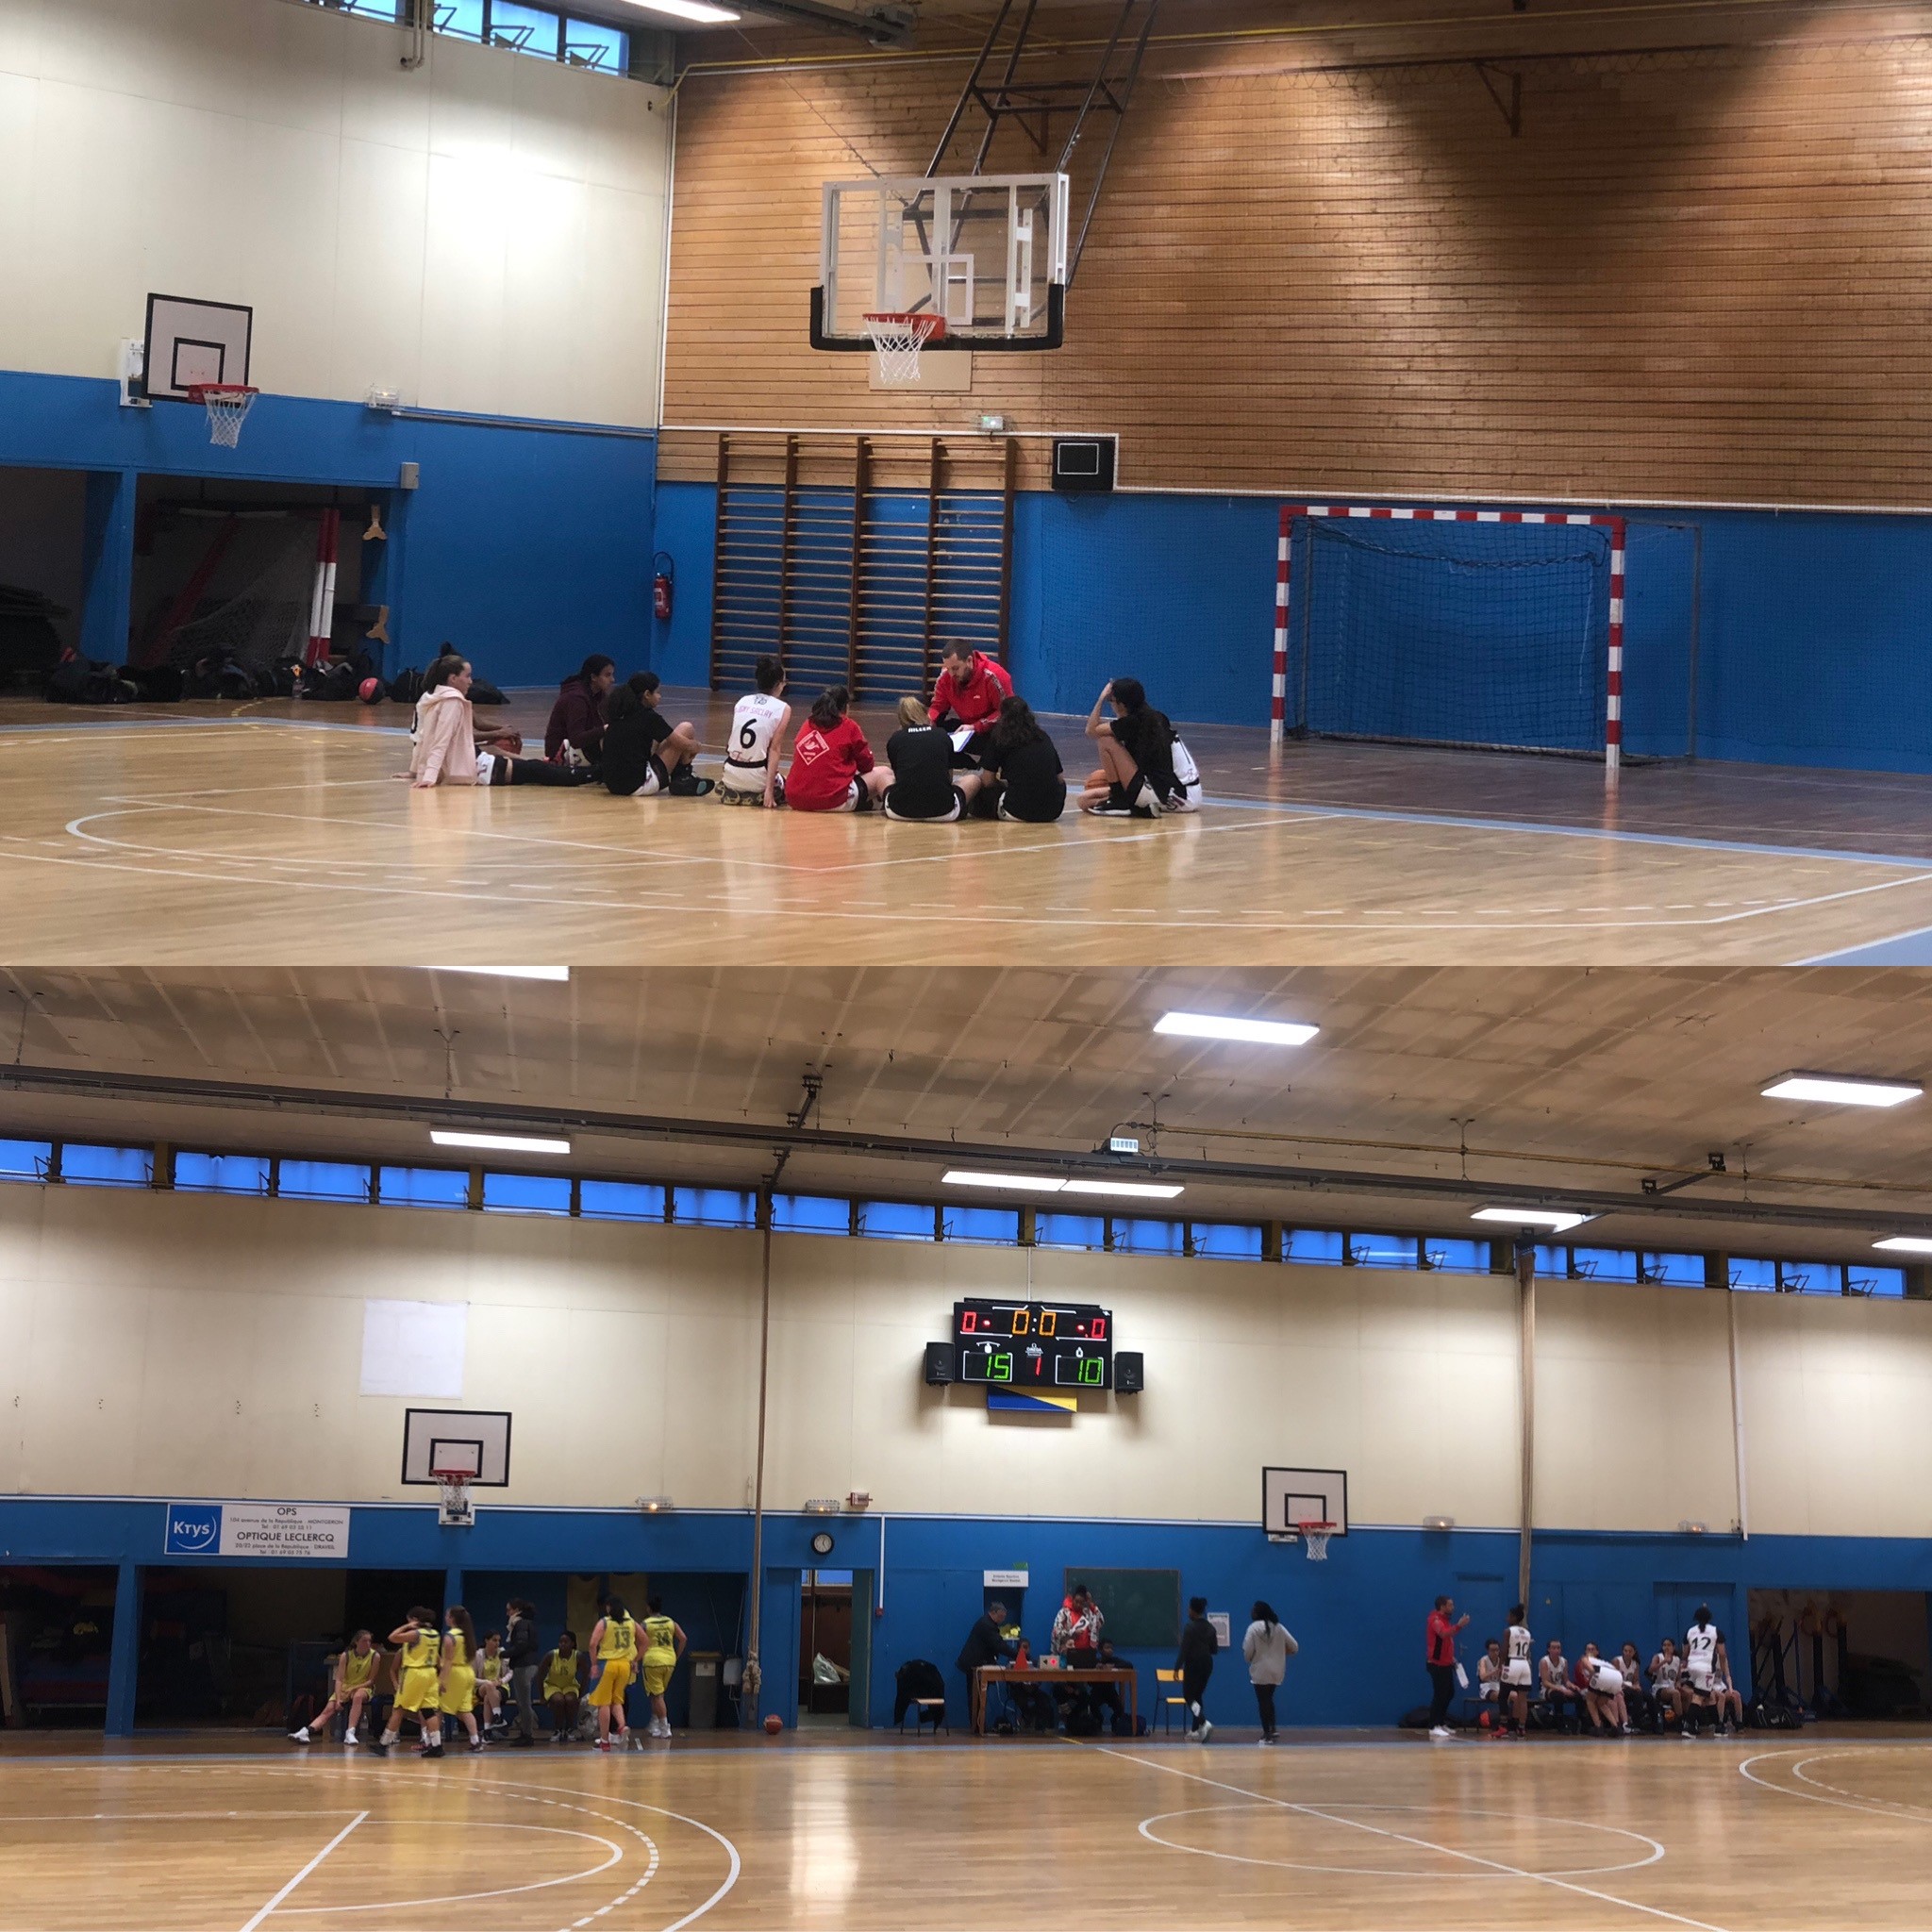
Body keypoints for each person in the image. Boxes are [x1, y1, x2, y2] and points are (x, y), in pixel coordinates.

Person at [410, 654, 591, 790]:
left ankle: (589, 772)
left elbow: (423, 739)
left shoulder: (432, 698)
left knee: (533, 768)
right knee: (537, 770)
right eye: (467, 676)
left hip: (465, 761)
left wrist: (417, 771)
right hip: (472, 767)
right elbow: (440, 741)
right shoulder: (452, 702)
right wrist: (429, 777)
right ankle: (593, 773)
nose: (471, 681)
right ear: (453, 678)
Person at [1080, 677, 1200, 818]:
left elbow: (1091, 730)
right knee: (1084, 801)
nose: (1111, 705)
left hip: (1175, 796)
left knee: (1105, 740)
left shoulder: (1134, 722)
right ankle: (1136, 806)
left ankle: (1119, 801)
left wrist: (1101, 699)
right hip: (1186, 793)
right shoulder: (1153, 717)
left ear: (1121, 704)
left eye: (1111, 701)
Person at [601, 672, 713, 797]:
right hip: (638, 785)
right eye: (658, 692)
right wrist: (697, 746)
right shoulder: (648, 717)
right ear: (647, 694)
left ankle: (680, 779)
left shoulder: (620, 713)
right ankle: (682, 777)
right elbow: (682, 744)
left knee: (659, 739)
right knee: (686, 728)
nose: (660, 697)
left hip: (613, 785)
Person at [786, 687, 890, 812]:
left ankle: (869, 804)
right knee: (884, 773)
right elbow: (867, 765)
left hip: (795, 799)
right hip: (830, 800)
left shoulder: (807, 724)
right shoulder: (849, 726)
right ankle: (892, 807)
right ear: (846, 707)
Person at [885, 695, 984, 822]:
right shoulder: (941, 734)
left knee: (886, 775)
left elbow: (898, 774)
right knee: (974, 779)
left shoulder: (895, 739)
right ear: (925, 713)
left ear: (901, 718)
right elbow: (948, 774)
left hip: (899, 812)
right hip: (944, 812)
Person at [976, 694, 1066, 823]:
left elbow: (987, 781)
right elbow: (1060, 779)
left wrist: (1003, 786)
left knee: (979, 793)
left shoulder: (1000, 737)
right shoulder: (1042, 736)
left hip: (1018, 811)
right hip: (1053, 812)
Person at [719, 654, 791, 808]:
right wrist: (769, 790)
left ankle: (732, 789)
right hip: (757, 776)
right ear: (778, 684)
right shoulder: (783, 708)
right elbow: (775, 750)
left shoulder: (742, 701)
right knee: (788, 785)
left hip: (730, 772)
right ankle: (759, 793)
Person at [369, 1607, 443, 1757]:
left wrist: (407, 1626)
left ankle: (384, 1744)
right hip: (430, 1673)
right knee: (428, 1710)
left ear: (415, 1620)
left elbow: (392, 1637)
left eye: (409, 1620)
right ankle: (437, 1746)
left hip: (415, 1673)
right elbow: (438, 1660)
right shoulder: (435, 1634)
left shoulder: (416, 1634)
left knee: (399, 1708)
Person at [290, 1629, 381, 1745]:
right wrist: (338, 1699)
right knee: (328, 1710)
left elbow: (371, 1681)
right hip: (346, 1687)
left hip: (363, 1687)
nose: (367, 1643)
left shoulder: (375, 1656)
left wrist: (356, 1688)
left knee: (358, 1697)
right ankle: (306, 1731)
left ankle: (350, 1732)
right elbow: (339, 1680)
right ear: (356, 1642)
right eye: (364, 1641)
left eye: (369, 1641)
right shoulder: (346, 1656)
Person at [927, 640, 1014, 762]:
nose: (951, 674)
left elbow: (1006, 713)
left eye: (955, 668)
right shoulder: (945, 678)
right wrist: (929, 721)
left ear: (969, 661)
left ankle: (988, 769)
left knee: (1003, 737)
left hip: (993, 730)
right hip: (967, 729)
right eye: (947, 668)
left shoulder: (994, 675)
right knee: (935, 734)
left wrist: (975, 727)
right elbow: (938, 706)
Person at [543, 653, 616, 765]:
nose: (612, 680)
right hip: (561, 753)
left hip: (582, 748)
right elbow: (576, 740)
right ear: (593, 677)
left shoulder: (600, 696)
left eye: (612, 675)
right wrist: (605, 729)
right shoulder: (576, 699)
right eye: (607, 675)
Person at [585, 1596, 638, 1750]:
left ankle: (604, 1740)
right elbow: (645, 1641)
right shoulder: (631, 1622)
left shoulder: (605, 1622)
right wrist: (635, 1660)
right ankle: (622, 1726)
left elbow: (592, 1644)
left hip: (608, 1664)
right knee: (617, 1700)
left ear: (609, 1608)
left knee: (604, 1704)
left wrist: (594, 1665)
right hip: (624, 1665)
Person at [1242, 1600, 1298, 1746]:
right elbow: (1294, 1647)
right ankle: (1273, 1729)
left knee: (1263, 1701)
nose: (1251, 1612)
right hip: (1277, 1670)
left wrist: (1252, 1657)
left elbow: (1247, 1652)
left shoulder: (1253, 1628)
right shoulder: (1279, 1627)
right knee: (1269, 1699)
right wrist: (1279, 1653)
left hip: (1260, 1670)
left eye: (1253, 1610)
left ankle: (1267, 1735)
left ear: (1258, 1613)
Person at [957, 1597, 1013, 1721]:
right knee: (976, 1698)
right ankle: (977, 1726)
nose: (1002, 1620)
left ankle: (978, 1725)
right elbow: (999, 1645)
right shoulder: (987, 1625)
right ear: (993, 1613)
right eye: (1001, 1616)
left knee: (977, 1698)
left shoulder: (986, 1623)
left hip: (975, 1663)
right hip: (974, 1665)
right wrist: (1018, 1655)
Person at [639, 1595, 687, 1741]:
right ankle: (655, 1724)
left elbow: (637, 1641)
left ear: (648, 1608)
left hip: (653, 1661)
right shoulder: (670, 1622)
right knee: (658, 1694)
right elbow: (683, 1638)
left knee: (657, 1695)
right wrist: (676, 1656)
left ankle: (665, 1728)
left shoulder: (646, 1624)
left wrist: (636, 1658)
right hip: (669, 1660)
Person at [1424, 1594, 1470, 1740]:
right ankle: (1433, 1726)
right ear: (1442, 1606)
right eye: (1450, 1605)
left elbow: (1447, 1642)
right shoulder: (1435, 1620)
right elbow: (1443, 1634)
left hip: (1446, 1663)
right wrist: (1459, 1625)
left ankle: (1440, 1722)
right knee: (1439, 1694)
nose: (1453, 1607)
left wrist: (1452, 1658)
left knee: (1449, 1693)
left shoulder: (1445, 1620)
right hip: (1436, 1664)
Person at [1176, 1595, 1219, 1741]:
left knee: (1189, 1696)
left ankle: (1203, 1722)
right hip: (1207, 1664)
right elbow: (1214, 1650)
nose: (1188, 1611)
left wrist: (1177, 1667)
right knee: (1198, 1695)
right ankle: (1195, 1730)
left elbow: (1184, 1650)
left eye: (1189, 1608)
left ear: (1193, 1610)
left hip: (1193, 1663)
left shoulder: (1190, 1627)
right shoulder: (1211, 1628)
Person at [1681, 1605, 1724, 1738]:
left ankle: (1718, 1726)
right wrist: (1723, 1667)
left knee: (1708, 1696)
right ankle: (1688, 1726)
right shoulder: (1716, 1631)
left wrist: (1684, 1665)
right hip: (1705, 1667)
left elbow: (1685, 1653)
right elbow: (1722, 1653)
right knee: (1698, 1697)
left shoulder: (1689, 1631)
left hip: (1692, 1666)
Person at [505, 1598, 541, 1747]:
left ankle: (527, 1735)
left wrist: (504, 1654)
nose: (507, 1613)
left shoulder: (520, 1624)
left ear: (516, 1610)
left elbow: (521, 1645)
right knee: (523, 1702)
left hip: (523, 1666)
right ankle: (526, 1733)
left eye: (509, 1610)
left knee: (524, 1703)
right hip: (528, 1664)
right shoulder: (527, 1624)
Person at [1578, 1642, 1631, 1736]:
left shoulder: (1584, 1658)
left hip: (1600, 1674)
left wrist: (1592, 1676)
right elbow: (1615, 1675)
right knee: (1601, 1703)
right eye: (1588, 1649)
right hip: (1617, 1677)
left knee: (1590, 1700)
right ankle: (1615, 1727)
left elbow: (1591, 1670)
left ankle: (1598, 1727)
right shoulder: (1601, 1661)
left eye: (1592, 1649)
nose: (1590, 1651)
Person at [542, 1630, 585, 1743]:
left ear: (572, 1644)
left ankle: (569, 1729)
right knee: (559, 1700)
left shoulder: (578, 1656)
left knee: (571, 1700)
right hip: (552, 1685)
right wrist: (542, 1696)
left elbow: (586, 1675)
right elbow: (540, 1674)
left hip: (570, 1685)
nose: (562, 1644)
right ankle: (558, 1730)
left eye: (566, 1642)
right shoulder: (551, 1655)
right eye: (560, 1642)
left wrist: (581, 1693)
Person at [1502, 1606, 1535, 1738]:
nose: (1507, 1618)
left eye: (1509, 1616)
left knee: (1503, 1695)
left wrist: (1500, 1665)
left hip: (1512, 1662)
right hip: (1524, 1664)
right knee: (1523, 1698)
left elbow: (1505, 1649)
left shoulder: (1508, 1631)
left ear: (1514, 1617)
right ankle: (1521, 1728)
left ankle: (1504, 1726)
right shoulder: (1527, 1632)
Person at [1540, 1639, 1580, 1725]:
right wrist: (1561, 1690)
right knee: (1558, 1696)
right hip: (1547, 1689)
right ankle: (1560, 1723)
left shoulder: (1564, 1661)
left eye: (1558, 1648)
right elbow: (1545, 1682)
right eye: (1554, 1648)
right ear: (1549, 1649)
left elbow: (1566, 1680)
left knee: (1577, 1694)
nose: (1557, 1650)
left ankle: (1579, 1721)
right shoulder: (1544, 1661)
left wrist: (1572, 1686)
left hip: (1560, 1687)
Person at [476, 1630, 507, 1735]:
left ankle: (487, 1732)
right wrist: (487, 1682)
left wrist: (501, 1681)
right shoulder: (478, 1655)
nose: (497, 1643)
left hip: (500, 1686)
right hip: (482, 1686)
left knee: (487, 1698)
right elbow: (471, 1678)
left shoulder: (502, 1653)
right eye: (494, 1640)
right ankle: (498, 1716)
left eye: (499, 1641)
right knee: (489, 1686)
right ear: (486, 1641)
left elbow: (510, 1672)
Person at [1649, 1636, 1683, 1720]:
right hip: (1659, 1688)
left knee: (1689, 1693)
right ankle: (1679, 1719)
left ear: (1673, 1647)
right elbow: (1650, 1670)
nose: (1666, 1647)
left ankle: (1688, 1720)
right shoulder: (1658, 1657)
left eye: (1669, 1645)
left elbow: (1678, 1678)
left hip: (1672, 1687)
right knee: (1676, 1693)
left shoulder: (1677, 1659)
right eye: (1664, 1645)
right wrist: (1664, 1662)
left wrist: (1678, 1683)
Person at [1476, 1640, 1504, 1707]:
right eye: (1492, 1650)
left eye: (1497, 1650)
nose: (1495, 1652)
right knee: (1499, 1696)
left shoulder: (1501, 1661)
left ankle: (1512, 1713)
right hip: (1486, 1687)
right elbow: (1482, 1677)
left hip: (1498, 1685)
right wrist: (1493, 1671)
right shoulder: (1484, 1660)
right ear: (1488, 1650)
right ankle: (1503, 1711)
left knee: (1514, 1695)